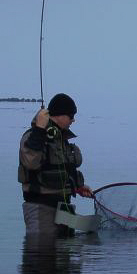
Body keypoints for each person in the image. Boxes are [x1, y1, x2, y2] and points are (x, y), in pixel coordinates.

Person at [18, 93, 93, 234]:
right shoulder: (32, 136)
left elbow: (62, 167)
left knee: (66, 251)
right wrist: (40, 130)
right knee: (42, 253)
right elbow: (31, 162)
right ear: (60, 115)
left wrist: (77, 187)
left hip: (64, 210)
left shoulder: (61, 139)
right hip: (40, 209)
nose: (73, 120)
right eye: (71, 116)